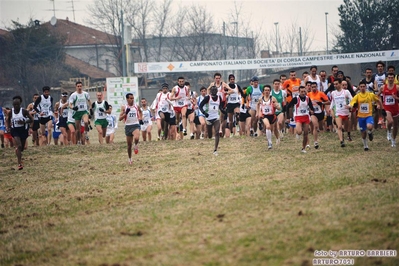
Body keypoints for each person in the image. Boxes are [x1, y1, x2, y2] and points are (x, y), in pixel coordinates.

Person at [347, 81, 382, 151]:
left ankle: (370, 132)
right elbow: (352, 103)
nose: (362, 88)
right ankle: (365, 145)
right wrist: (349, 106)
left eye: (364, 86)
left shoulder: (370, 95)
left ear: (366, 87)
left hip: (368, 115)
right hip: (361, 116)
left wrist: (379, 105)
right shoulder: (357, 96)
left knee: (369, 126)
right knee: (363, 133)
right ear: (359, 88)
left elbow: (377, 99)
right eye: (361, 87)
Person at [6, 96, 33, 170]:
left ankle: (18, 152)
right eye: (14, 105)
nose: (16, 106)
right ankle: (19, 163)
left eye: (17, 105)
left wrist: (24, 122)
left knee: (22, 148)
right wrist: (8, 127)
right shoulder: (11, 112)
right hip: (15, 130)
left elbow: (31, 119)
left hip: (23, 130)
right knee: (19, 145)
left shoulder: (24, 111)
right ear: (13, 105)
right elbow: (8, 119)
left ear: (20, 104)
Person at [199, 86, 226, 156]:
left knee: (217, 132)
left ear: (217, 91)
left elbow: (220, 106)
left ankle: (215, 149)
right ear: (210, 91)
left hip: (216, 117)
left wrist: (223, 111)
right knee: (210, 135)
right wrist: (204, 113)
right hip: (208, 118)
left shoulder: (219, 98)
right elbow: (200, 106)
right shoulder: (207, 97)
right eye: (212, 90)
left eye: (215, 90)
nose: (214, 91)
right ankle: (210, 136)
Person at [286, 86, 315, 153]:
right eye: (301, 91)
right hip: (298, 116)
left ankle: (303, 148)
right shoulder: (296, 99)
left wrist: (312, 111)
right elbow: (289, 106)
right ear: (299, 92)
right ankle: (297, 133)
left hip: (306, 116)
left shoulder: (308, 98)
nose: (303, 93)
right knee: (299, 131)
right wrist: (289, 117)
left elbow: (311, 107)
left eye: (304, 91)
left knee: (306, 133)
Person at [119, 93, 143, 164]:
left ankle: (135, 145)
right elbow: (120, 118)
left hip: (135, 125)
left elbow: (140, 112)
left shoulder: (136, 106)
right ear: (127, 99)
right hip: (128, 126)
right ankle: (130, 159)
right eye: (131, 98)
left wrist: (140, 118)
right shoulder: (124, 107)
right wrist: (125, 114)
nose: (132, 100)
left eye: (133, 98)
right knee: (129, 145)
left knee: (136, 138)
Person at [330, 78, 353, 147]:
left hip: (345, 112)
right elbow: (333, 102)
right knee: (339, 126)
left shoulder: (346, 92)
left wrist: (349, 106)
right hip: (338, 112)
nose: (335, 85)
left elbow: (352, 100)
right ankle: (341, 141)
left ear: (340, 84)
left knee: (345, 128)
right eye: (334, 84)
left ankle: (347, 134)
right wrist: (331, 110)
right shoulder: (333, 93)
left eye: (337, 84)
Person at [257, 85, 281, 149]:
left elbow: (279, 108)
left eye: (268, 90)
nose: (267, 91)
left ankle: (277, 138)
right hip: (264, 115)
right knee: (268, 126)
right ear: (263, 91)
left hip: (272, 116)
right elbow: (258, 105)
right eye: (265, 90)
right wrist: (258, 113)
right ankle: (269, 143)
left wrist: (276, 106)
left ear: (270, 91)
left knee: (274, 129)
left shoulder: (273, 98)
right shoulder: (261, 99)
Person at [307, 82, 330, 149]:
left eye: (315, 87)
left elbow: (328, 101)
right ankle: (315, 141)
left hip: (320, 113)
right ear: (310, 87)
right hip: (313, 113)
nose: (314, 88)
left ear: (317, 87)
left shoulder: (321, 94)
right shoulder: (308, 95)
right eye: (312, 87)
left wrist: (322, 103)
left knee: (320, 127)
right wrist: (309, 109)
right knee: (315, 126)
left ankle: (316, 135)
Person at [381, 73, 399, 147]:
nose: (390, 79)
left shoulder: (397, 87)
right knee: (390, 121)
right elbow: (378, 95)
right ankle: (388, 131)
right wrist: (380, 105)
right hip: (387, 108)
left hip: (395, 108)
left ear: (394, 79)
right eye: (389, 78)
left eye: (392, 78)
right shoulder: (383, 87)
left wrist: (396, 98)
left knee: (395, 125)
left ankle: (393, 139)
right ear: (387, 79)